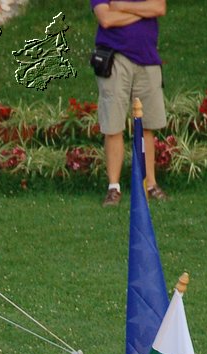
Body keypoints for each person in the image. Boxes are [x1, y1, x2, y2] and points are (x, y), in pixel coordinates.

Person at [90, 0, 168, 206]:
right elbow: (106, 19)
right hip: (115, 60)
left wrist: (121, 7)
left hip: (148, 59)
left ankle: (150, 184)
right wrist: (143, 13)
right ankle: (113, 188)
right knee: (113, 125)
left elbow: (159, 8)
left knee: (147, 126)